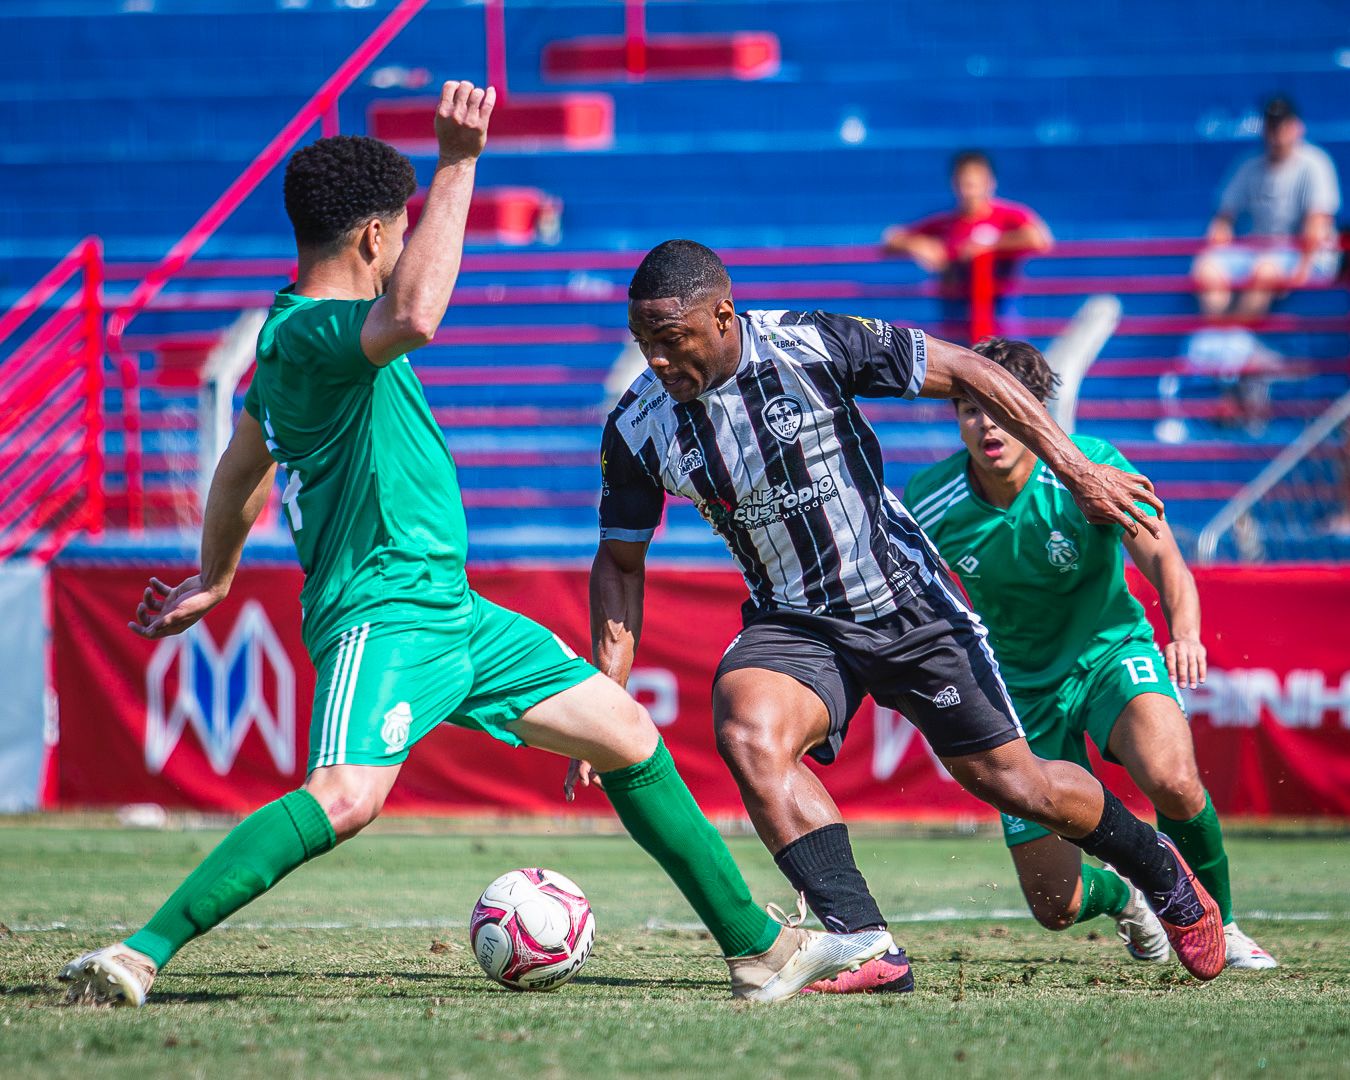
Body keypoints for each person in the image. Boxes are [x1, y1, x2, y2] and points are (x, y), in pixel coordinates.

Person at [57, 84, 894, 1009]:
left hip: (451, 612)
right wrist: (459, 161)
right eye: (402, 228)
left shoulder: (285, 346)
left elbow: (238, 469)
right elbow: (415, 316)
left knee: (625, 735)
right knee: (346, 796)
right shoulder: (316, 333)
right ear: (377, 237)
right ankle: (140, 951)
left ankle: (758, 949)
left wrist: (215, 580)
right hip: (383, 612)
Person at [574, 239, 1228, 993]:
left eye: (671, 340)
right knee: (747, 728)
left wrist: (1075, 469)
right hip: (796, 622)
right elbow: (620, 562)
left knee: (1017, 785)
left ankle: (1157, 867)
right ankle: (865, 944)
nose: (655, 360)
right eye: (643, 344)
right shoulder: (638, 427)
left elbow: (975, 371)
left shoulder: (812, 344)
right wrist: (608, 694)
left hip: (906, 604)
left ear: (723, 316)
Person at [905, 337, 1277, 970]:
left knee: (1173, 780)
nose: (985, 423)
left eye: (1000, 406)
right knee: (1056, 904)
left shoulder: (1091, 467)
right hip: (1017, 690)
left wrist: (1184, 633)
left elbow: (1166, 561)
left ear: (1034, 410)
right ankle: (1129, 898)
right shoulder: (929, 501)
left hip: (1111, 655)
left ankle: (1221, 921)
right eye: (968, 407)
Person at [1193, 96, 1341, 320]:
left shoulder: (1315, 163)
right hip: (1261, 250)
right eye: (1272, 125)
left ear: (1297, 127)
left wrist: (1301, 272)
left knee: (1265, 270)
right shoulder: (1249, 165)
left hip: (1305, 256)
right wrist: (1218, 240)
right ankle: (1223, 334)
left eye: (1282, 125)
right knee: (1206, 267)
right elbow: (1224, 217)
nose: (1277, 132)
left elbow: (1318, 223)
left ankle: (1231, 337)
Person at [882, 150, 1052, 341]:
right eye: (963, 182)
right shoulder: (946, 222)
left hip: (999, 309)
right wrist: (918, 244)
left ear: (990, 182)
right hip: (955, 312)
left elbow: (1039, 238)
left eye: (974, 182)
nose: (968, 190)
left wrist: (988, 246)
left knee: (1008, 364)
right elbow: (891, 238)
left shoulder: (1009, 215)